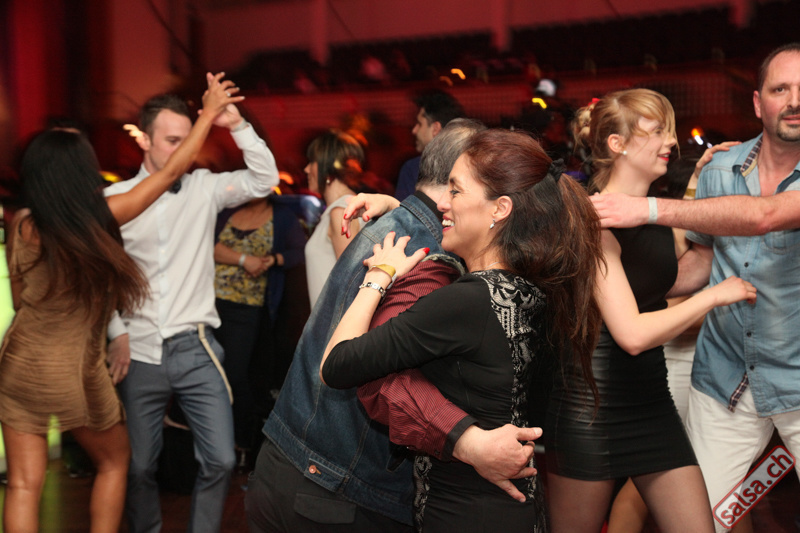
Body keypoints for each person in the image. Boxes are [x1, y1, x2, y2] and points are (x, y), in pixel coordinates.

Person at [246, 120, 541, 533]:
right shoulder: (425, 251)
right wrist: (468, 441)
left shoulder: (397, 224)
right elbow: (380, 378)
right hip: (335, 490)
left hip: (286, 461)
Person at [320, 128, 604, 533]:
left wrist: (378, 277)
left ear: (500, 209)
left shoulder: (466, 302)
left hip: (465, 512)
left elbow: (336, 364)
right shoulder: (535, 290)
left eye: (455, 190)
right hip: (515, 510)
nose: (442, 202)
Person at [0, 74, 236, 533]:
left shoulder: (21, 223)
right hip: (73, 367)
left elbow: (21, 296)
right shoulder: (100, 218)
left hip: (19, 361)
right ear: (82, 173)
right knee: (114, 461)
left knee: (24, 484)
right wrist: (207, 114)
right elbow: (169, 174)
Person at [597, 43, 800, 533]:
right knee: (702, 519)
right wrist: (614, 291)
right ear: (759, 103)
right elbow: (701, 264)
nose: (795, 101)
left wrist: (646, 210)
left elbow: (765, 216)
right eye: (781, 89)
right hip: (726, 377)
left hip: (797, 374)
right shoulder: (720, 170)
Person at [543, 88, 757, 533]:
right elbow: (633, 334)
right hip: (591, 411)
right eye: (658, 130)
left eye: (669, 131)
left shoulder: (647, 212)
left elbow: (685, 273)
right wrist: (715, 297)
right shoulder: (593, 217)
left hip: (651, 404)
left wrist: (702, 182)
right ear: (617, 144)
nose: (671, 142)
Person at [104, 74, 280, 533]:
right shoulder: (113, 200)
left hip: (197, 347)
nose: (183, 151)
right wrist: (115, 332)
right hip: (138, 350)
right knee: (139, 466)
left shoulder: (203, 186)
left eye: (188, 140)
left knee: (221, 459)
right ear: (144, 140)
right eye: (171, 141)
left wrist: (236, 124)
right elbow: (100, 278)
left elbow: (265, 178)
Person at [213, 195, 306, 468]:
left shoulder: (283, 216)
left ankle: (241, 442)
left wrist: (275, 259)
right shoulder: (226, 210)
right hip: (210, 306)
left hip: (248, 310)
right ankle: (211, 442)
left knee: (236, 375)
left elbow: (300, 252)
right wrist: (244, 260)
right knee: (210, 374)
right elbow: (205, 245)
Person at [304, 129, 366, 308]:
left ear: (327, 167)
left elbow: (351, 284)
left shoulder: (341, 211)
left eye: (312, 162)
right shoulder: (343, 207)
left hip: (334, 321)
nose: (306, 169)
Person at [394, 90, 464, 201]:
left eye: (419, 123)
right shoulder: (469, 165)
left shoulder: (413, 168)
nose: (414, 130)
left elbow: (403, 211)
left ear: (435, 129)